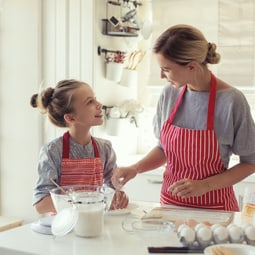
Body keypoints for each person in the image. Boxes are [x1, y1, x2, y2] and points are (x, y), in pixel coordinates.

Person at [112, 24, 255, 211]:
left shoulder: (231, 101)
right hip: (170, 206)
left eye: (167, 69)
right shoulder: (169, 94)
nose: (162, 76)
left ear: (192, 66)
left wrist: (205, 186)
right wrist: (136, 168)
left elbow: (250, 162)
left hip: (215, 210)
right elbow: (164, 149)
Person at [30, 79, 128, 214]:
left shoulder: (104, 148)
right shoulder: (52, 151)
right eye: (90, 102)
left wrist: (120, 195)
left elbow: (113, 189)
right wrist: (86, 202)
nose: (99, 104)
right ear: (70, 118)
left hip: (95, 224)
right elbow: (41, 204)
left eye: (95, 99)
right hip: (65, 228)